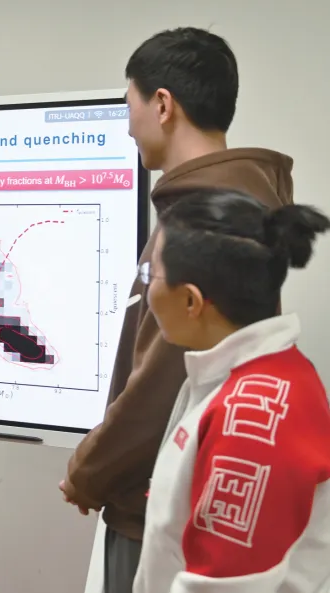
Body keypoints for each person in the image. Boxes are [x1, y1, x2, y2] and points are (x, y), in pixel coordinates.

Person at [59, 27, 296, 593]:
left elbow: (166, 379)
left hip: (162, 511)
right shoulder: (231, 207)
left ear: (163, 104)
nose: (128, 126)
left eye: (130, 106)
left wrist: (89, 470)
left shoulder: (204, 221)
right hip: (179, 496)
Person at [132, 190, 330, 592]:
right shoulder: (260, 374)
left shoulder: (252, 420)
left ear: (191, 301)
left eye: (151, 275)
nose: (146, 290)